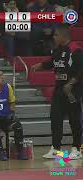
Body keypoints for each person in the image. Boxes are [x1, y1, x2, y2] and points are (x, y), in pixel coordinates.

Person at [31, 24, 83, 159]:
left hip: (72, 91)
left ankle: (77, 148)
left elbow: (81, 70)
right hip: (59, 89)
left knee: (74, 120)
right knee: (55, 119)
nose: (53, 37)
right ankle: (56, 149)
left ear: (62, 36)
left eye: (55, 35)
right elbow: (52, 62)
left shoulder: (75, 49)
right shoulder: (57, 50)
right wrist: (41, 65)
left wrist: (71, 83)